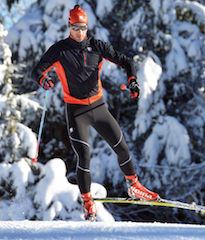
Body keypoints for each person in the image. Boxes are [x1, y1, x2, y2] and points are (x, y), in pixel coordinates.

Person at [31, 5, 159, 221]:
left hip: (98, 107)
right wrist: (43, 80)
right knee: (84, 156)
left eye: (82, 27)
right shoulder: (59, 50)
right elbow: (36, 71)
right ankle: (88, 202)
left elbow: (126, 61)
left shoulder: (97, 46)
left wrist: (133, 80)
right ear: (69, 26)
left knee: (121, 147)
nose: (79, 32)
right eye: (75, 27)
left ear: (87, 27)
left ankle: (134, 186)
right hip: (76, 111)